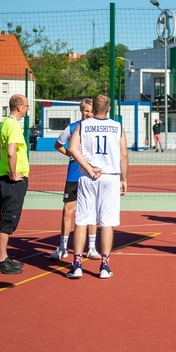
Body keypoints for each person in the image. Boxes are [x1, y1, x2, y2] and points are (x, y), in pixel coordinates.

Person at [66, 94, 129, 280]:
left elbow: (72, 148)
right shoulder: (117, 127)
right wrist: (124, 178)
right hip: (110, 177)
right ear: (109, 109)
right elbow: (123, 156)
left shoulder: (83, 125)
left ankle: (77, 264)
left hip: (88, 177)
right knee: (107, 222)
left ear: (92, 108)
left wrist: (89, 168)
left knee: (82, 220)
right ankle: (105, 265)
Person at [49, 99, 100, 261]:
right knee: (68, 210)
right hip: (74, 174)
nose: (89, 114)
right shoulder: (72, 128)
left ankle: (91, 247)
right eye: (86, 110)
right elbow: (58, 144)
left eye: (91, 111)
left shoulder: (97, 129)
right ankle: (63, 247)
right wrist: (71, 155)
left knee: (91, 210)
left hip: (91, 174)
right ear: (81, 111)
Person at [0, 94, 31, 275]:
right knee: (9, 217)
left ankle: (4, 257)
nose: (28, 108)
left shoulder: (5, 123)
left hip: (4, 176)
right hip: (13, 179)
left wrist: (0, 166)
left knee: (7, 214)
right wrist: (13, 173)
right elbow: (12, 152)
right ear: (19, 107)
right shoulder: (13, 126)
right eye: (27, 105)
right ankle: (0, 261)